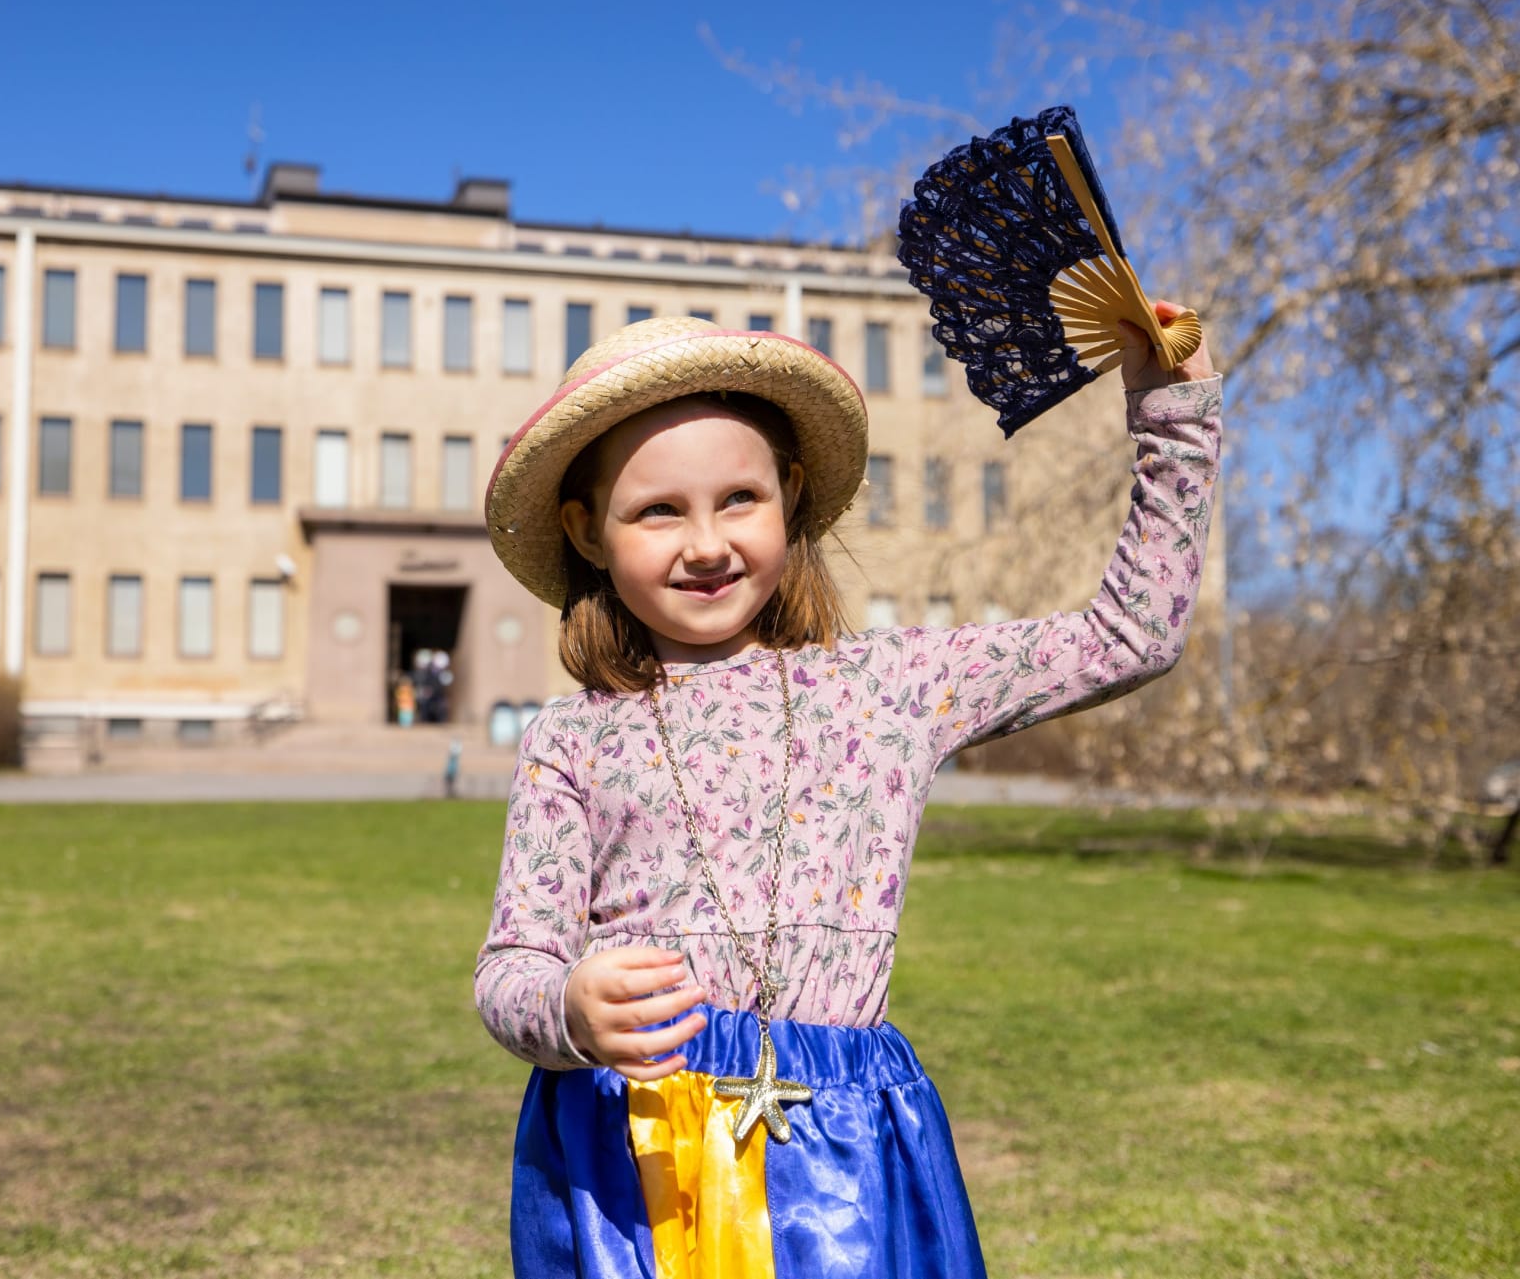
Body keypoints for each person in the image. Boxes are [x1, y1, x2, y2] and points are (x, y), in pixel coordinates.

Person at [474, 312, 1221, 1276]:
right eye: (658, 511)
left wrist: (1175, 415)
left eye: (738, 497)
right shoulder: (569, 739)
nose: (706, 543)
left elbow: (1131, 636)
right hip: (640, 1160)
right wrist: (571, 1010)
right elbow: (509, 968)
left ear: (787, 496)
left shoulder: (890, 689)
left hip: (844, 1159)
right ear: (588, 530)